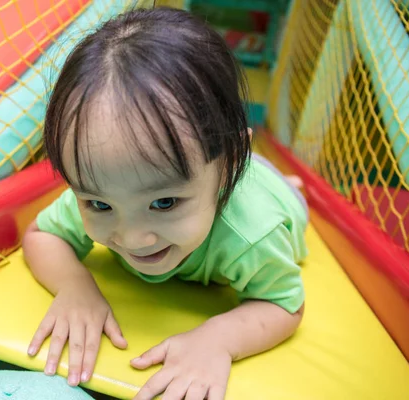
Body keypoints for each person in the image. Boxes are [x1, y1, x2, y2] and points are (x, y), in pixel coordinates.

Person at [22, 7, 308, 400]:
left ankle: (280, 179)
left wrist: (219, 340)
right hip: (220, 162)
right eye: (99, 205)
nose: (133, 238)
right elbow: (40, 235)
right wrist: (74, 286)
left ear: (227, 169)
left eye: (165, 202)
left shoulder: (254, 235)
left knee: (287, 188)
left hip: (275, 195)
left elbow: (285, 304)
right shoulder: (112, 189)